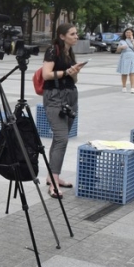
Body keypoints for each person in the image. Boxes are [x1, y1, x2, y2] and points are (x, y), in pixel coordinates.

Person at [41, 23, 86, 198]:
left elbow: (74, 80)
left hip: (70, 97)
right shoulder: (53, 51)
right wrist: (66, 71)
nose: (76, 36)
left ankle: (52, 177)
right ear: (62, 36)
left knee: (59, 139)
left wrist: (75, 71)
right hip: (54, 98)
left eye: (77, 33)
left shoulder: (70, 52)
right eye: (73, 34)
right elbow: (46, 74)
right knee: (62, 139)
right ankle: (53, 183)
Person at [115, 28, 134, 93]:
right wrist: (121, 47)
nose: (128, 34)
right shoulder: (122, 41)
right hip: (124, 57)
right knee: (124, 73)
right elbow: (117, 50)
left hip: (132, 57)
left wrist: (132, 41)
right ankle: (124, 86)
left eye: (129, 32)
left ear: (132, 33)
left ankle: (133, 88)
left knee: (132, 72)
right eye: (126, 32)